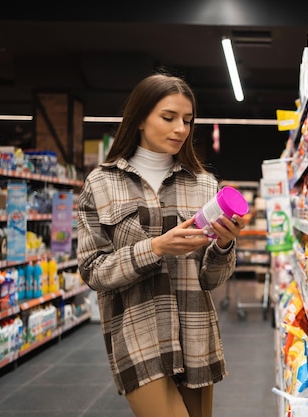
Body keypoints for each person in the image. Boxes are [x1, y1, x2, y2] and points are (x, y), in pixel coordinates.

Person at [77, 72, 245, 417]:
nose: (180, 129)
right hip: (137, 330)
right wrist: (155, 248)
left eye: (187, 120)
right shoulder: (102, 183)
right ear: (139, 119)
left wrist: (225, 246)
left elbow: (211, 280)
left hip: (196, 334)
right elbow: (93, 271)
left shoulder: (204, 185)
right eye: (168, 118)